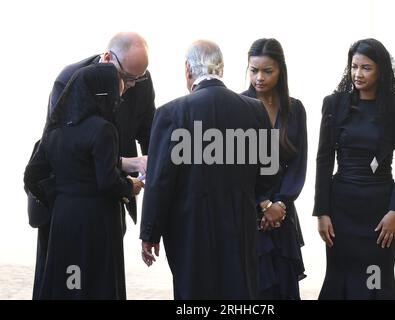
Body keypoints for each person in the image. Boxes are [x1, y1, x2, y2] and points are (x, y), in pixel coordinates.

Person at [140, 40, 277, 299]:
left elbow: (160, 181)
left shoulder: (172, 113)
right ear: (222, 69)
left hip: (190, 228)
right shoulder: (256, 110)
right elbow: (269, 174)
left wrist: (150, 232)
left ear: (188, 70)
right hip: (240, 226)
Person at [26, 32, 155, 299]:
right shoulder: (70, 79)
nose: (131, 85)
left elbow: (149, 134)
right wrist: (126, 168)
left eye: (137, 78)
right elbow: (66, 151)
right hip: (73, 201)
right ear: (108, 58)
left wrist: (152, 165)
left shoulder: (140, 80)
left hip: (99, 205)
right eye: (127, 78)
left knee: (94, 277)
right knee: (75, 278)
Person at [313, 38, 395, 299]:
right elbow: (324, 160)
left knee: (376, 273)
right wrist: (322, 212)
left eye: (366, 67)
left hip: (381, 209)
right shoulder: (334, 103)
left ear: (381, 69)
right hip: (341, 206)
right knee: (340, 272)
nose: (357, 74)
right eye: (354, 66)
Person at [242, 38, 307, 299]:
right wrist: (263, 204)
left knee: (283, 285)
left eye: (267, 71)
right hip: (249, 210)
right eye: (253, 70)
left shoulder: (294, 108)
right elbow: (236, 166)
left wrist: (280, 203)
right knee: (256, 287)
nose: (259, 77)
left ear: (281, 71)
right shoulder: (239, 106)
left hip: (282, 212)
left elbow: (298, 164)